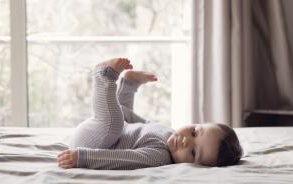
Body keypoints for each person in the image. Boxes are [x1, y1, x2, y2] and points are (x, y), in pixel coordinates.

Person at [57, 58, 243, 170]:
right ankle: (128, 85)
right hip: (99, 133)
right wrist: (117, 108)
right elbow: (137, 120)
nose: (186, 141)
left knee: (114, 124)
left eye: (193, 152)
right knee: (120, 120)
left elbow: (123, 160)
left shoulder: (159, 157)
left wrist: (82, 158)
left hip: (87, 145)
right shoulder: (168, 131)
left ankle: (103, 75)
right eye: (194, 132)